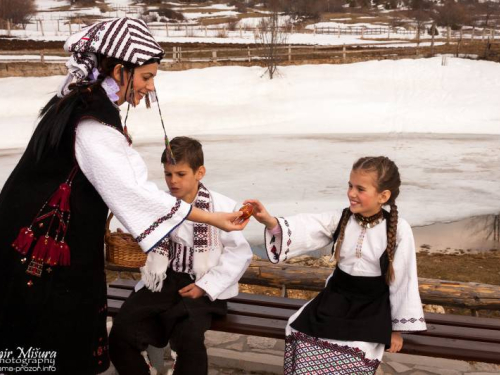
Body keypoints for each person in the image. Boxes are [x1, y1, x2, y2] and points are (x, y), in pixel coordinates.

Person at [0, 18, 246, 375]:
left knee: (39, 335)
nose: (150, 87)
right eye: (146, 76)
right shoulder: (92, 123)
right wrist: (211, 218)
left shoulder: (80, 102)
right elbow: (133, 192)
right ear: (119, 70)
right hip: (44, 245)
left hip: (38, 237)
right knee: (48, 339)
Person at [246, 156, 426, 374]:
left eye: (360, 189)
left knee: (356, 347)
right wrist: (270, 221)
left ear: (383, 196)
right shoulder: (342, 218)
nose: (351, 193)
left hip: (371, 305)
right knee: (301, 331)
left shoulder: (398, 229)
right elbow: (308, 225)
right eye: (350, 186)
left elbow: (404, 279)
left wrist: (396, 329)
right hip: (336, 297)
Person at [109, 136, 253, 375]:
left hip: (203, 284)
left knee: (188, 338)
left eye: (181, 174)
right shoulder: (161, 204)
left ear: (200, 172)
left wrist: (205, 286)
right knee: (122, 331)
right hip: (164, 280)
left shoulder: (222, 207)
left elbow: (240, 253)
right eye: (168, 174)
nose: (173, 181)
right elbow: (148, 233)